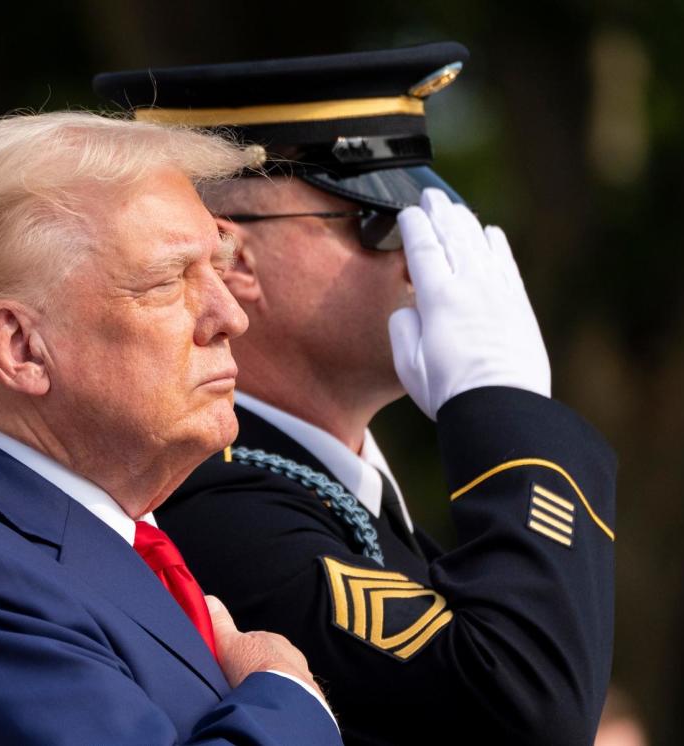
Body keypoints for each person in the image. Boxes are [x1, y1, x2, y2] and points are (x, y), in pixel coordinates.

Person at [95, 43, 617, 745]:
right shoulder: (214, 506)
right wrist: (509, 416)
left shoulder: (336, 493)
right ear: (230, 257)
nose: (420, 255)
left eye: (428, 217)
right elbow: (527, 710)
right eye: (380, 222)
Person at [0, 112, 341, 745]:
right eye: (169, 281)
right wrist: (288, 696)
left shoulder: (79, 541)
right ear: (20, 346)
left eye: (217, 269)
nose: (229, 316)